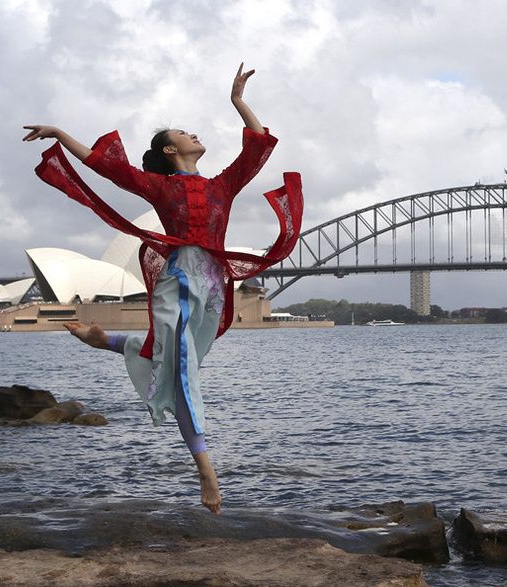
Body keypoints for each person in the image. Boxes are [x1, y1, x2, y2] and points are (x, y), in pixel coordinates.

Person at [22, 63, 303, 515]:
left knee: (176, 360)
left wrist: (238, 101)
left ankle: (110, 341)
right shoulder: (157, 185)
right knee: (184, 373)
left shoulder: (221, 185)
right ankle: (206, 472)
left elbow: (258, 147)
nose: (194, 135)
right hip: (177, 281)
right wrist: (60, 132)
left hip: (213, 287)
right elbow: (103, 166)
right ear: (171, 149)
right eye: (185, 133)